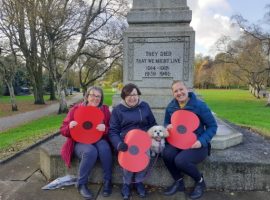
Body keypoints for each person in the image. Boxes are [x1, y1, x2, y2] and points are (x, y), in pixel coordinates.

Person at [163, 80, 217, 199]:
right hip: (177, 142)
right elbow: (166, 122)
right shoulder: (171, 106)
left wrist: (201, 141)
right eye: (176, 91)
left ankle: (200, 181)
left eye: (181, 89)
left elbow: (213, 126)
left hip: (196, 144)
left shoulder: (200, 106)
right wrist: (167, 126)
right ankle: (179, 181)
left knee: (180, 160)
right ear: (173, 93)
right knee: (166, 154)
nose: (179, 93)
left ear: (187, 89)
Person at [60, 86, 112, 199]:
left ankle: (108, 181)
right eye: (92, 95)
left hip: (99, 140)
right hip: (80, 143)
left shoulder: (104, 110)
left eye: (98, 96)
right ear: (87, 96)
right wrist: (69, 127)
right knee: (90, 151)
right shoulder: (76, 109)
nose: (95, 98)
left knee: (105, 148)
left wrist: (105, 129)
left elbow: (112, 129)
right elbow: (63, 130)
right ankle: (81, 183)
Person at [109, 83, 157, 200]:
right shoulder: (118, 110)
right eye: (128, 95)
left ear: (138, 95)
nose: (132, 97)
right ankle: (126, 184)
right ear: (123, 97)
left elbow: (153, 124)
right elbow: (113, 131)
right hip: (126, 142)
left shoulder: (145, 106)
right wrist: (119, 144)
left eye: (134, 94)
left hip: (144, 140)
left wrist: (155, 135)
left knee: (146, 158)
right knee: (128, 160)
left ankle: (138, 181)